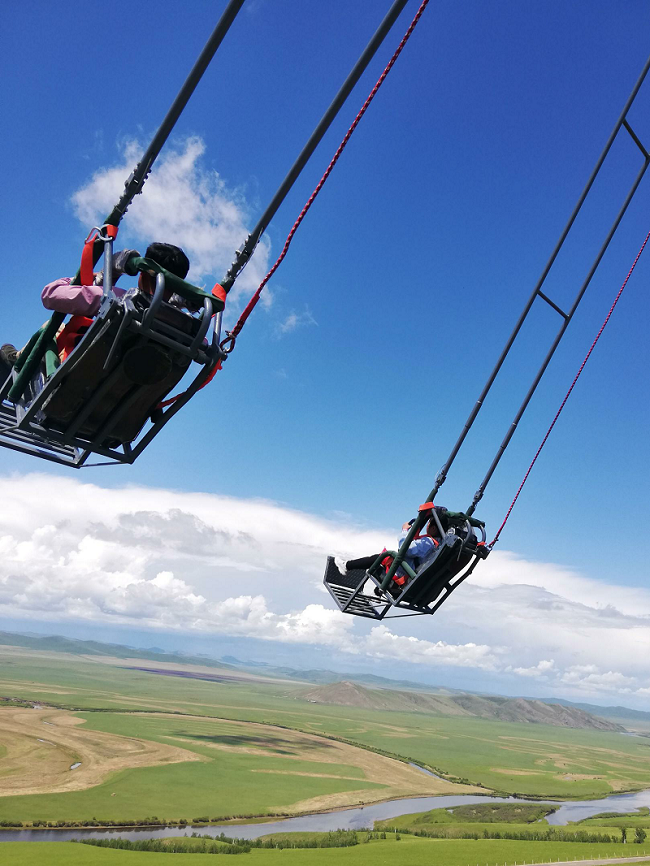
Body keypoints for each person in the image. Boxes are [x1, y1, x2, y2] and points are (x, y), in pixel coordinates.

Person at [0, 243, 190, 373]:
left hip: (78, 375)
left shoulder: (120, 299)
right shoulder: (187, 331)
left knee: (53, 327)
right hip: (121, 406)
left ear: (143, 273)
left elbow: (50, 295)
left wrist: (102, 275)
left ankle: (16, 359)